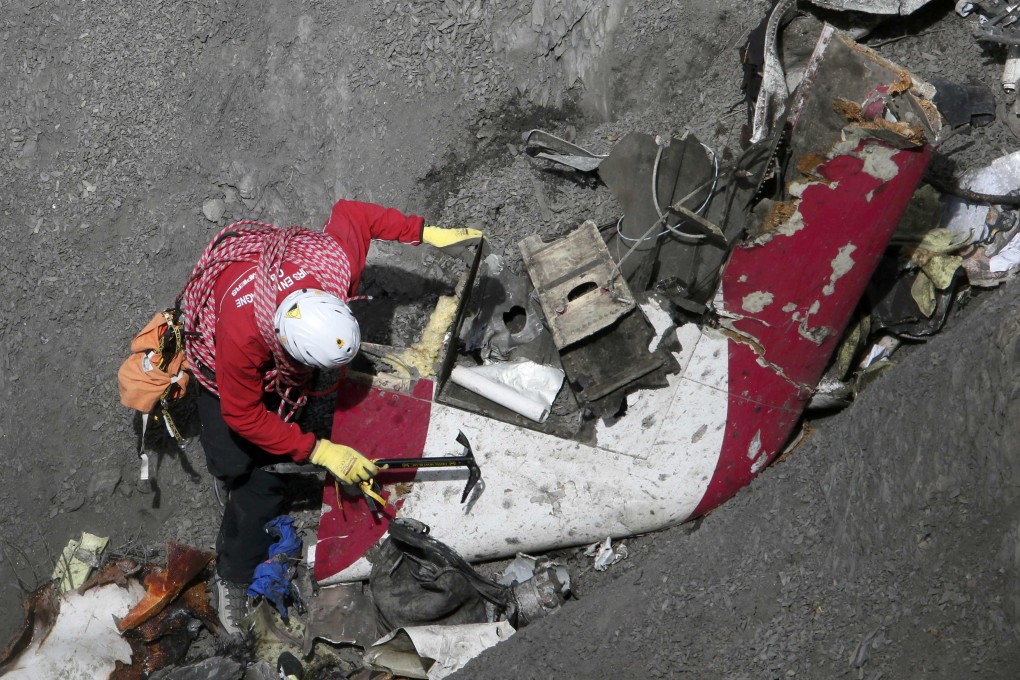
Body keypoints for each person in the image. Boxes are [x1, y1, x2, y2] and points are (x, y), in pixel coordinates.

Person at [181, 199, 481, 633]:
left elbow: (353, 214)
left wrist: (424, 232)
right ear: (283, 347)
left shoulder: (333, 270)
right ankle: (234, 571)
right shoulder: (242, 338)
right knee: (247, 470)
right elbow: (243, 413)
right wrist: (320, 451)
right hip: (216, 330)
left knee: (279, 429)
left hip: (270, 301)